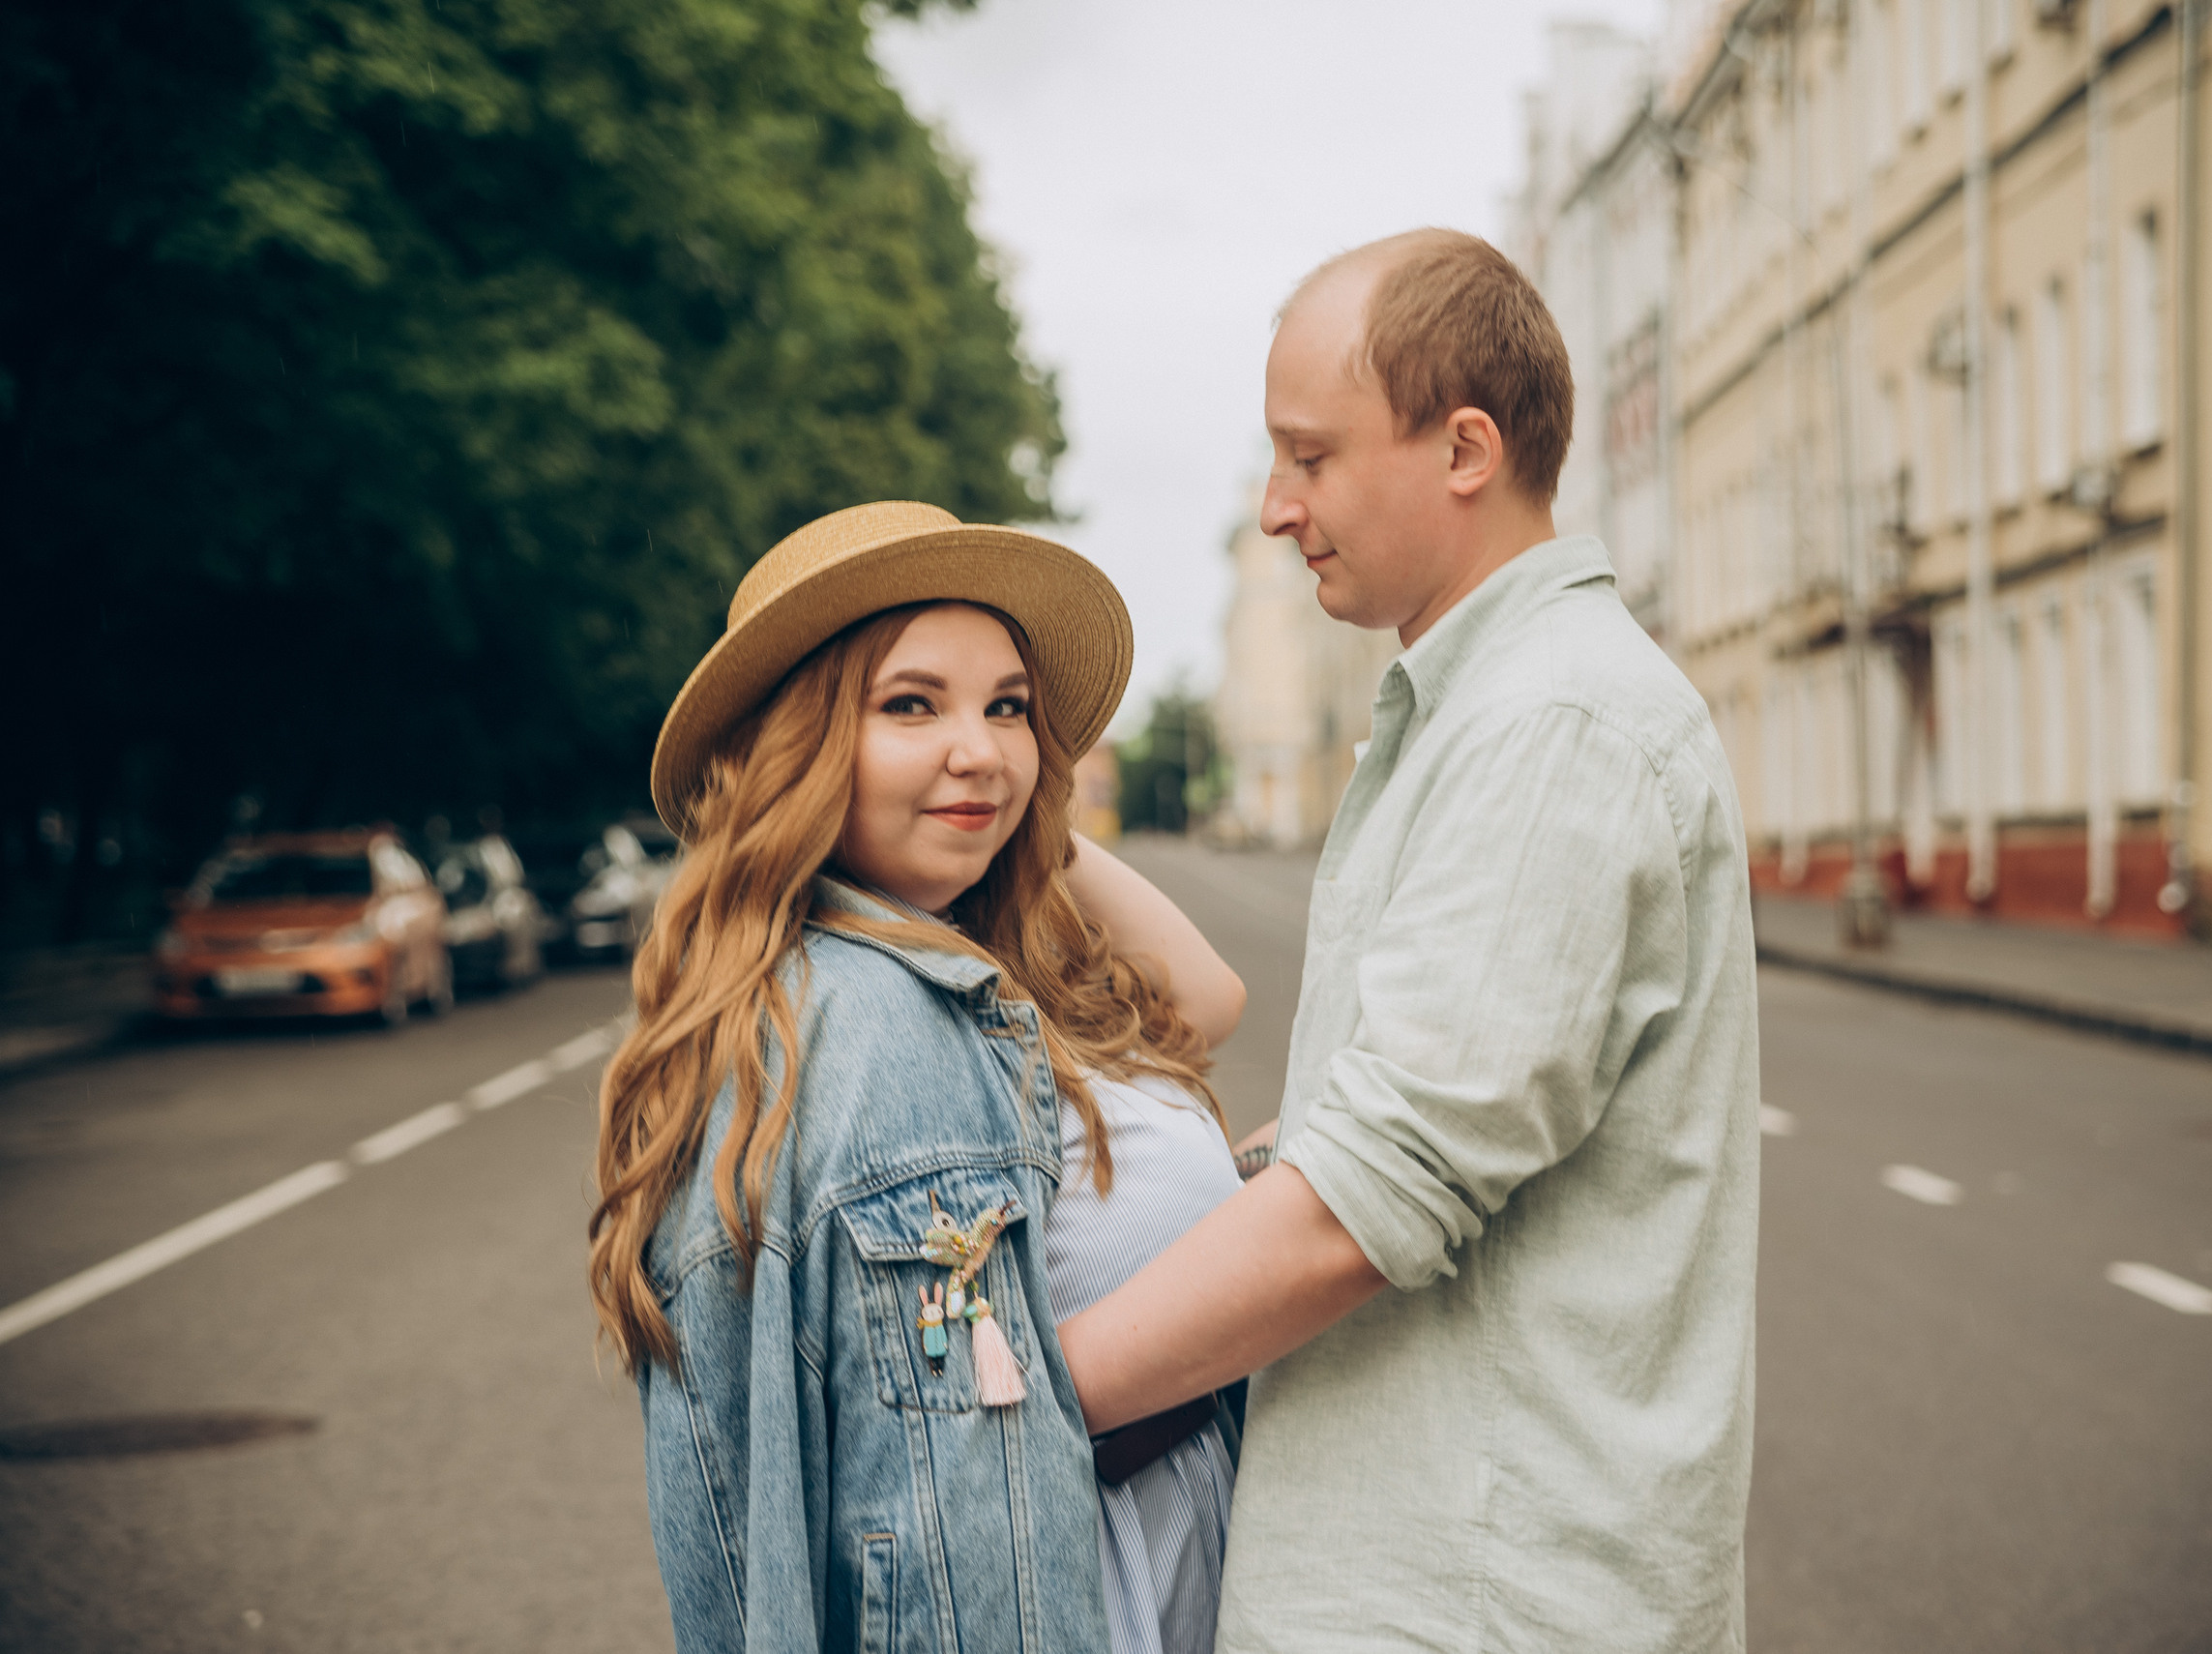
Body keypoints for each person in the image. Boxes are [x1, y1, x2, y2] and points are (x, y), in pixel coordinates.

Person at [1059, 229, 1762, 1652]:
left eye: (1309, 457)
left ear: (1463, 449)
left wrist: (1005, 1393)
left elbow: (1372, 1194)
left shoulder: (1549, 724)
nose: (1274, 507)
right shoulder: (1477, 710)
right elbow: (1383, 1128)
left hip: (1480, 1600)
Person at [588, 500, 1250, 1654]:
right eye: (908, 703)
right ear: (796, 748)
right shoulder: (884, 1020)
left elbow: (1203, 1002)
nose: (980, 744)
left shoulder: (967, 962)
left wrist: (992, 796)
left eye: (1008, 706)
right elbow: (956, 1516)